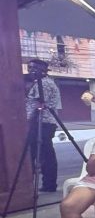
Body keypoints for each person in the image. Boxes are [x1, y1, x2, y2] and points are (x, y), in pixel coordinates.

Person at [24, 58, 62, 192]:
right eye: (29, 68)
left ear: (43, 70)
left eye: (34, 68)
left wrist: (26, 121)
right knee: (41, 154)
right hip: (40, 122)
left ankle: (48, 184)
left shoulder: (44, 84)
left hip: (42, 122)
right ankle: (47, 184)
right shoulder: (40, 83)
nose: (31, 71)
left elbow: (38, 105)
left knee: (43, 155)